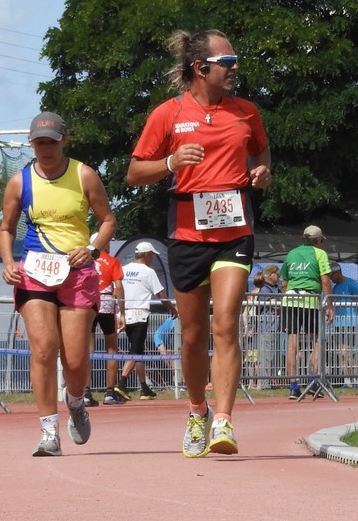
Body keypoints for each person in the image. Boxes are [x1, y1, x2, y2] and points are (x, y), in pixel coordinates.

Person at [126, 29, 272, 456]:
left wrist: (262, 172)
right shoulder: (168, 114)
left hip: (235, 232)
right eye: (227, 62)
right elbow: (134, 173)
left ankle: (223, 421)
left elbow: (262, 152)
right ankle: (197, 411)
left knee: (225, 324)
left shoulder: (246, 112)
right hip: (187, 234)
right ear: (201, 68)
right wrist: (171, 162)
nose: (234, 68)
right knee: (192, 335)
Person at [0, 111, 115, 457]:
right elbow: (6, 228)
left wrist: (92, 249)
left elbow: (108, 221)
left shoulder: (84, 175)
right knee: (44, 349)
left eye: (51, 142)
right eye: (39, 143)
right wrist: (8, 262)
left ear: (64, 140)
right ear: (31, 144)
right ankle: (49, 431)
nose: (45, 149)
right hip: (35, 272)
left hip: (76, 273)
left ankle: (75, 402)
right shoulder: (20, 182)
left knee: (76, 361)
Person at [281, 225, 343, 400]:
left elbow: (284, 283)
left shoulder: (291, 253)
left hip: (290, 299)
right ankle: (313, 381)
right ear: (318, 240)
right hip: (310, 301)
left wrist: (284, 299)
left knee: (291, 343)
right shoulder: (320, 253)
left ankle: (293, 386)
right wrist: (329, 305)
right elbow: (325, 281)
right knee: (317, 340)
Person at [116, 242, 175, 401]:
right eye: (152, 255)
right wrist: (173, 309)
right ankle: (121, 383)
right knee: (135, 350)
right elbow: (161, 295)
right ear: (147, 254)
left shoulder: (123, 269)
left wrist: (120, 313)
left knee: (139, 349)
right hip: (140, 314)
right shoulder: (148, 272)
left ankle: (144, 387)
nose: (153, 258)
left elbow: (116, 290)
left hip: (124, 314)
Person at [90, 232, 125, 405]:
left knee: (88, 348)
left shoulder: (85, 259)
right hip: (106, 303)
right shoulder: (112, 261)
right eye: (107, 242)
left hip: (88, 303)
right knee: (111, 348)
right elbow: (118, 287)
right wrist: (122, 312)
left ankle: (85, 392)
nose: (109, 245)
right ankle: (110, 392)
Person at [330, 272, 358, 387]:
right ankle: (346, 380)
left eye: (331, 276)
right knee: (342, 353)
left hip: (350, 322)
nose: (330, 279)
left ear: (337, 273)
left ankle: (354, 379)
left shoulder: (351, 283)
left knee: (347, 352)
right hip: (338, 323)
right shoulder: (335, 287)